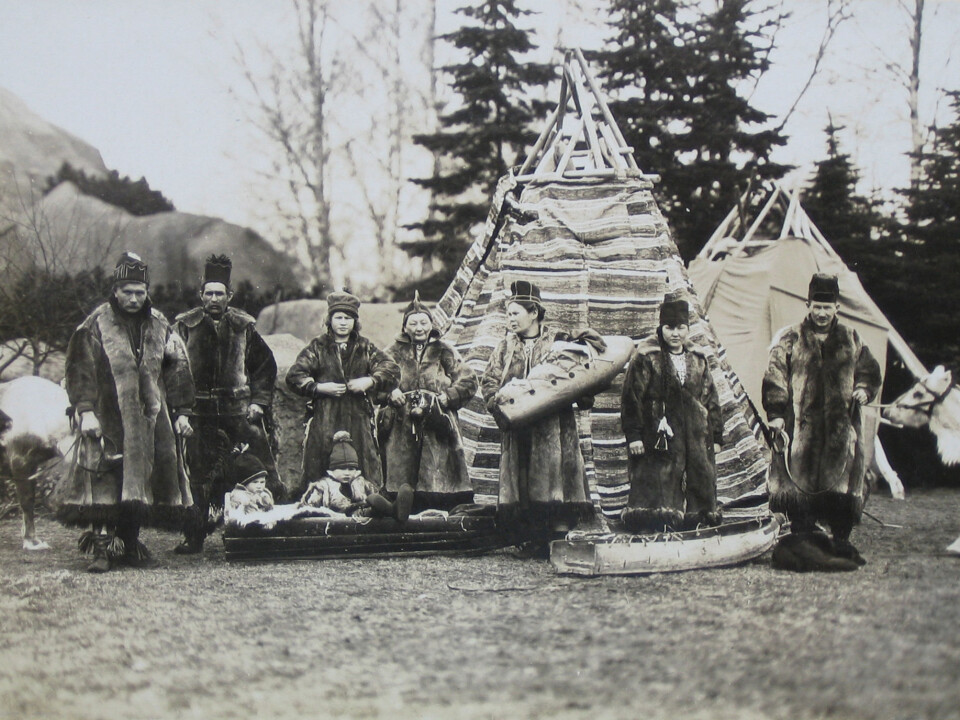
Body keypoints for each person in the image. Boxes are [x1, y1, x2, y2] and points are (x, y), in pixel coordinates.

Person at [55, 252, 195, 572]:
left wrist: (183, 411)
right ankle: (102, 551)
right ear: (115, 291)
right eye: (127, 292)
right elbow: (80, 369)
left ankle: (130, 545)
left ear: (147, 293)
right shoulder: (95, 324)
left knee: (140, 482)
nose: (133, 299)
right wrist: (86, 410)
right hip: (107, 417)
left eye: (140, 292)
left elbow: (178, 370)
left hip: (149, 419)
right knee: (105, 480)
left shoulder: (160, 324)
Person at [762, 272, 882, 571]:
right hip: (800, 429)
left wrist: (864, 389)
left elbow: (869, 370)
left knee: (841, 485)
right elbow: (775, 376)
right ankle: (804, 536)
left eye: (827, 307)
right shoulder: (789, 338)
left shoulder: (852, 339)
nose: (822, 313)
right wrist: (776, 415)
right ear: (808, 305)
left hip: (840, 430)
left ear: (837, 308)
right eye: (817, 306)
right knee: (798, 485)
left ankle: (840, 539)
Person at [172, 254, 280, 554]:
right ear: (201, 294)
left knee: (250, 471)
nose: (215, 298)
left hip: (236, 413)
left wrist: (259, 402)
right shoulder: (185, 326)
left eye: (220, 293)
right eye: (209, 293)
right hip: (197, 414)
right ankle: (194, 536)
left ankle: (257, 531)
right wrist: (179, 410)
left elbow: (265, 367)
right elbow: (173, 369)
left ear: (229, 296)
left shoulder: (243, 326)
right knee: (197, 475)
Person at [480, 280, 597, 555]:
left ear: (534, 313)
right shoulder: (505, 347)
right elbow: (488, 381)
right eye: (508, 313)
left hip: (552, 427)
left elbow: (578, 376)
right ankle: (529, 537)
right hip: (518, 426)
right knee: (521, 479)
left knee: (553, 479)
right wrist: (498, 403)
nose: (510, 319)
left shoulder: (558, 342)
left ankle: (555, 536)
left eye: (515, 312)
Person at [619, 296, 723, 533]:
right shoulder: (647, 357)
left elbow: (710, 397)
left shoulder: (698, 358)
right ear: (661, 328)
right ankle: (656, 527)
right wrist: (634, 435)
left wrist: (715, 435)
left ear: (688, 328)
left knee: (700, 479)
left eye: (681, 327)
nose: (675, 333)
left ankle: (698, 525)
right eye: (669, 327)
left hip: (696, 433)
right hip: (658, 434)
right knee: (659, 481)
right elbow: (631, 398)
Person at [285, 290, 400, 495]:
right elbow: (294, 376)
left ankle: (366, 505)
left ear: (355, 322)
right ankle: (320, 503)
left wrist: (370, 381)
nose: (343, 323)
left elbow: (391, 370)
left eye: (348, 318)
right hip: (325, 417)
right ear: (329, 320)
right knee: (321, 463)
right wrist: (319, 388)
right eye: (338, 317)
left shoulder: (365, 347)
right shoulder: (318, 347)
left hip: (358, 417)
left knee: (364, 461)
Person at [379, 292, 477, 512]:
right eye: (413, 323)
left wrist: (448, 396)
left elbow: (469, 380)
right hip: (401, 421)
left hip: (437, 417)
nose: (419, 328)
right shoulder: (391, 352)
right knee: (402, 472)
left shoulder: (445, 350)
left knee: (438, 469)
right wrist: (390, 392)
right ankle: (400, 511)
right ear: (405, 327)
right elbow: (378, 379)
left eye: (423, 322)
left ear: (432, 324)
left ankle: (443, 513)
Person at [298, 431, 413, 521]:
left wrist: (375, 500)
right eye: (342, 469)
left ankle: (395, 509)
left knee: (374, 504)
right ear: (332, 470)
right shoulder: (323, 486)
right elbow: (309, 508)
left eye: (351, 469)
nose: (347, 473)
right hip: (341, 518)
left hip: (364, 516)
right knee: (367, 511)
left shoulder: (361, 483)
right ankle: (390, 511)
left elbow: (376, 495)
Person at [225, 453, 276, 519]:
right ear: (245, 483)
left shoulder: (263, 494)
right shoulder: (239, 496)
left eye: (262, 482)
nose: (259, 486)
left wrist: (267, 503)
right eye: (255, 482)